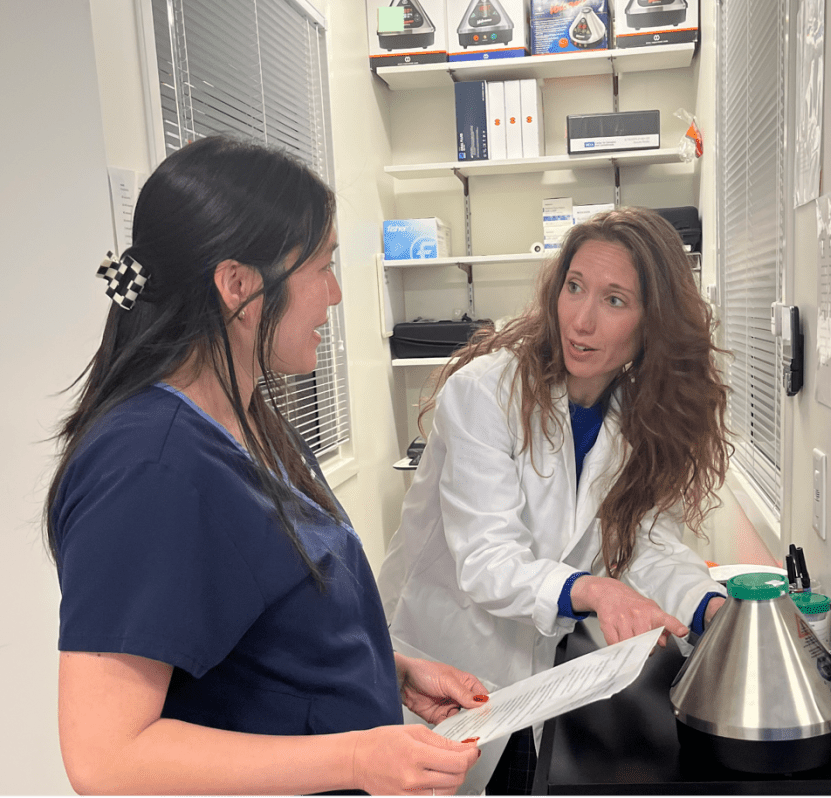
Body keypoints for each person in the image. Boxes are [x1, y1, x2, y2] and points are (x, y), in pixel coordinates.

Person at [44, 135, 484, 797]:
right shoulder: (149, 464)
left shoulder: (249, 421)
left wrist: (385, 672)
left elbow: (251, 629)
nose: (333, 296)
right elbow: (106, 759)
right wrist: (357, 760)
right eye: (321, 266)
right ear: (239, 286)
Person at [377, 207, 733, 795]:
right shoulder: (485, 394)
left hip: (534, 679)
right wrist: (592, 589)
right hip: (435, 662)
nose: (582, 321)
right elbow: (488, 560)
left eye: (615, 300)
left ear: (654, 323)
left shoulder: (636, 416)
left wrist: (711, 611)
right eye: (575, 288)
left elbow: (645, 543)